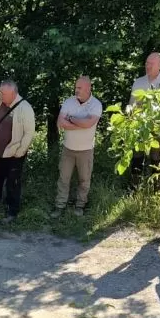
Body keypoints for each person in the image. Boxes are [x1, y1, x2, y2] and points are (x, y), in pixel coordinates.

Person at [0, 81, 36, 223]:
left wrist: (20, 152)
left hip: (13, 154)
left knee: (13, 183)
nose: (0, 95)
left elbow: (29, 133)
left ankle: (11, 212)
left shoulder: (25, 108)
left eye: (3, 93)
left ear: (13, 94)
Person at [51, 76, 102, 218]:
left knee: (84, 180)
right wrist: (81, 123)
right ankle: (59, 206)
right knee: (63, 178)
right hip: (68, 148)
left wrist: (71, 119)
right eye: (76, 87)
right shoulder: (69, 102)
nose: (76, 90)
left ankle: (80, 206)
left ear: (88, 88)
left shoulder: (96, 105)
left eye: (79, 88)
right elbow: (60, 123)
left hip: (86, 150)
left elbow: (89, 124)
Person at [127, 53, 160, 188]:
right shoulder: (139, 82)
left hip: (158, 127)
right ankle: (134, 187)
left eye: (151, 64)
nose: (147, 66)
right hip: (139, 126)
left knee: (156, 158)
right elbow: (132, 104)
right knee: (137, 157)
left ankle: (156, 190)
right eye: (147, 63)